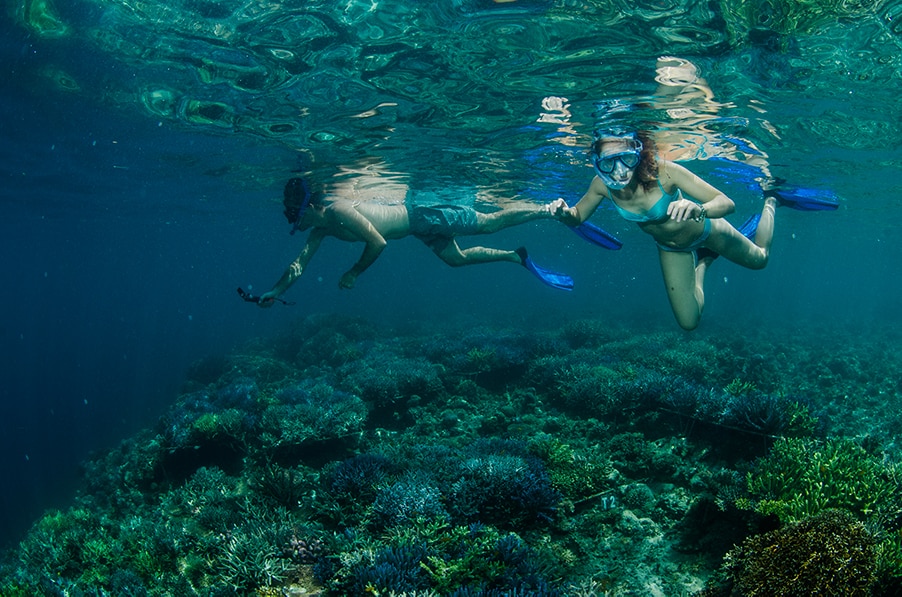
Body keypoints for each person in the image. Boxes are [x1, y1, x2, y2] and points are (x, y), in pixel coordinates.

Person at [550, 129, 836, 330]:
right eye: (609, 162)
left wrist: (699, 209)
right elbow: (577, 217)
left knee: (760, 259)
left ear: (639, 153)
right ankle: (705, 261)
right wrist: (564, 213)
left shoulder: (664, 171)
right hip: (670, 248)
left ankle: (771, 200)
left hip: (706, 230)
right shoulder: (601, 186)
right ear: (597, 164)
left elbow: (726, 202)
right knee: (689, 323)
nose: (620, 171)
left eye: (626, 158)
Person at [256, 177, 572, 306]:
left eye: (299, 217)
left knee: (488, 223)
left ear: (311, 206)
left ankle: (548, 209)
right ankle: (515, 256)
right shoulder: (320, 229)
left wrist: (354, 272)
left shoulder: (338, 210)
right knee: (455, 260)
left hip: (423, 213)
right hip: (417, 227)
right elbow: (299, 264)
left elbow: (378, 242)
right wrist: (275, 291)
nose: (298, 225)